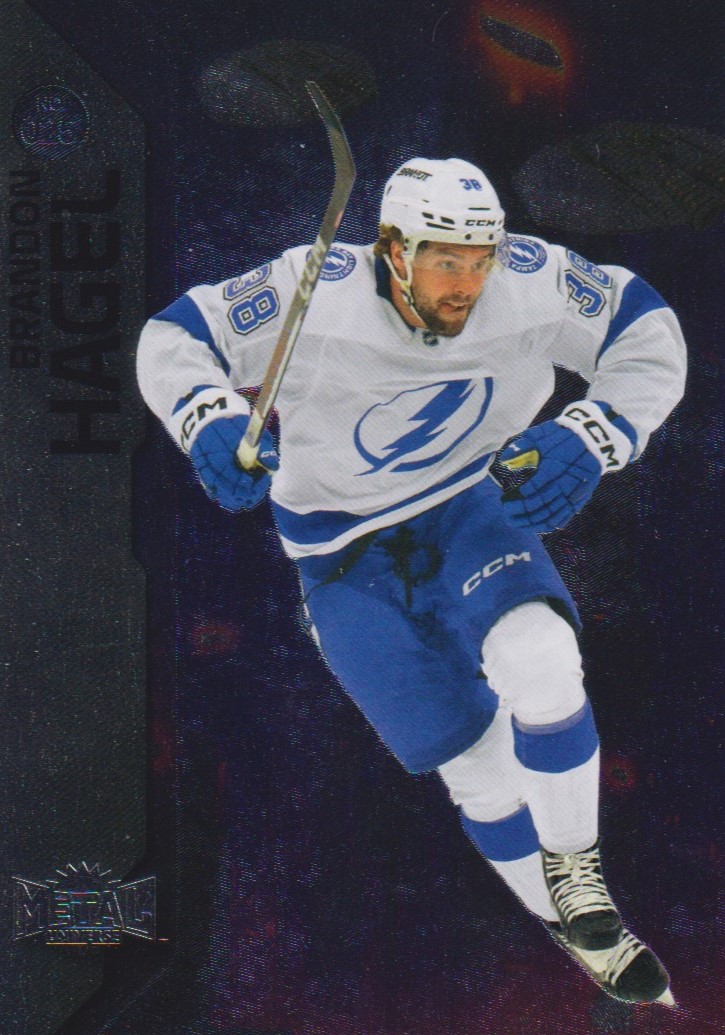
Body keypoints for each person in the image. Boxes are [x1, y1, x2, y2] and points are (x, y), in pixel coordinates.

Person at [137, 157, 686, 1005]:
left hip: (466, 504)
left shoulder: (528, 280)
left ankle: (580, 877)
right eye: (445, 260)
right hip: (339, 555)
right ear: (393, 250)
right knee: (477, 772)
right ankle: (577, 929)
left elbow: (643, 324)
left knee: (539, 653)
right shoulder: (310, 287)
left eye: (480, 259)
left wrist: (599, 427)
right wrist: (203, 415)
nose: (467, 283)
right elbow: (173, 336)